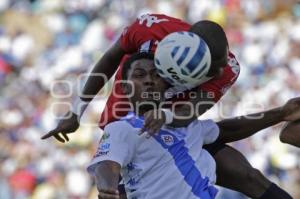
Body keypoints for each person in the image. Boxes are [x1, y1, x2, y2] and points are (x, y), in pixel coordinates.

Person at [41, 14, 296, 198]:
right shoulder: (149, 29)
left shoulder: (227, 69)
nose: (220, 70)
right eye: (212, 67)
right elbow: (109, 58)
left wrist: (281, 113)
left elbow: (194, 114)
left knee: (249, 177)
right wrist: (76, 110)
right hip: (134, 132)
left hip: (178, 128)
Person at [88, 52, 299, 199]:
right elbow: (107, 165)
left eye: (156, 75)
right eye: (140, 75)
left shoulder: (187, 125)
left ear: (167, 85)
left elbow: (227, 130)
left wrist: (281, 112)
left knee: (251, 177)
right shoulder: (121, 128)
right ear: (124, 88)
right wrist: (108, 189)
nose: (149, 81)